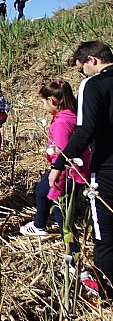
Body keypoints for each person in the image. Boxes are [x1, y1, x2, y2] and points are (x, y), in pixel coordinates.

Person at [50, 41, 113, 299]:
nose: (82, 75)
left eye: (81, 69)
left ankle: (106, 291)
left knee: (105, 236)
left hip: (108, 168)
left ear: (92, 60)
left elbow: (85, 129)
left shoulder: (94, 84)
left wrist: (59, 163)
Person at [19, 81, 93, 277]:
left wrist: (57, 188)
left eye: (43, 102)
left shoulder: (61, 123)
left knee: (64, 222)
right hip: (70, 172)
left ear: (52, 100)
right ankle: (39, 224)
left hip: (65, 176)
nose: (43, 106)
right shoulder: (71, 116)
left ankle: (76, 265)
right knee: (41, 190)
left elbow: (63, 157)